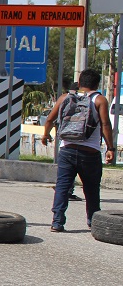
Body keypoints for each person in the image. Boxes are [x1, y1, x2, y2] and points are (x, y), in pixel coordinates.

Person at [41, 68, 115, 233]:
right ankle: (93, 222)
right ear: (97, 84)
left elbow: (50, 119)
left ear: (80, 82)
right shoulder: (99, 100)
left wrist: (46, 134)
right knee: (91, 189)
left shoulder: (65, 97)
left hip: (67, 150)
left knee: (62, 187)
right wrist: (110, 148)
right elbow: (105, 124)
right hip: (90, 152)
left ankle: (57, 222)